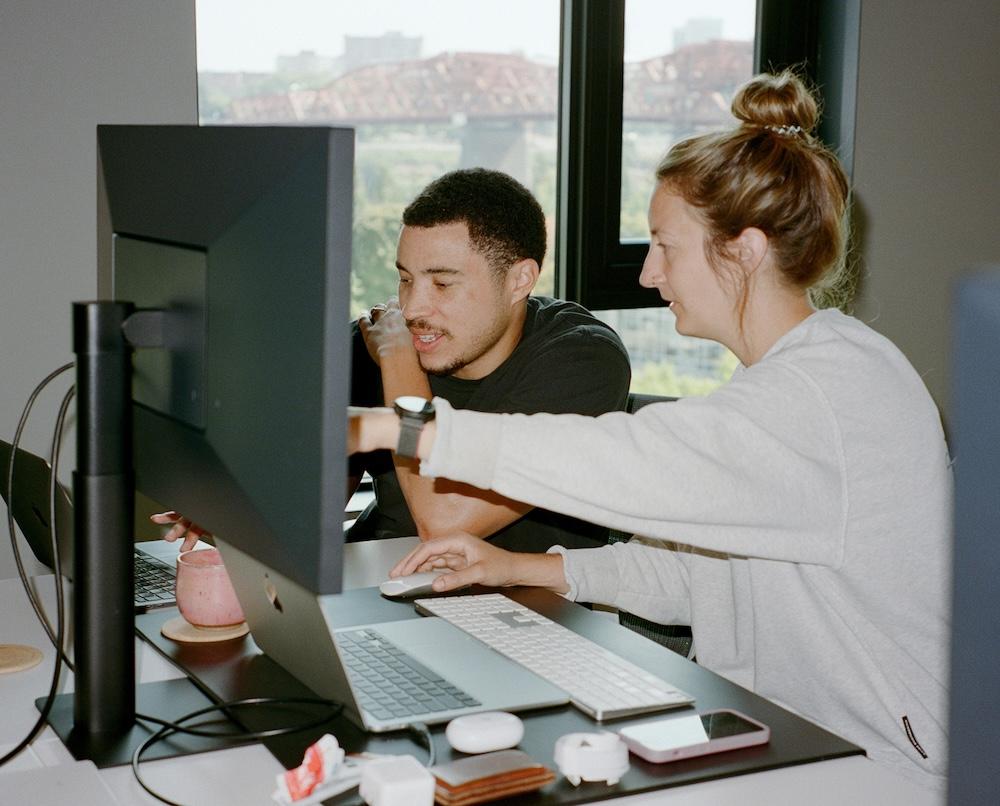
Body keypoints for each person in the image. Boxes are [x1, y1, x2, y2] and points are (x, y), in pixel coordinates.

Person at [347, 72, 951, 791]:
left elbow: (626, 458)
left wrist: (404, 427)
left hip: (880, 768)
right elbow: (698, 576)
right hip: (772, 734)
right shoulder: (781, 385)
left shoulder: (833, 393)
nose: (646, 273)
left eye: (666, 245)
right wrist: (521, 568)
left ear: (745, 251)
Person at [154, 168, 631, 554]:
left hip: (527, 620)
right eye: (406, 279)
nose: (415, 307)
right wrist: (235, 512)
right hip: (378, 586)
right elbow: (314, 506)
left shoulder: (582, 359)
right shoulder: (377, 345)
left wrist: (397, 355)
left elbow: (444, 523)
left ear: (520, 280)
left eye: (442, 283)